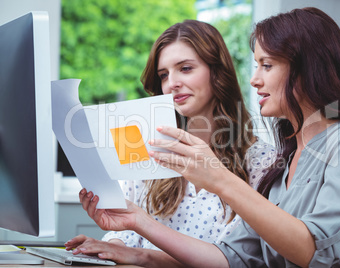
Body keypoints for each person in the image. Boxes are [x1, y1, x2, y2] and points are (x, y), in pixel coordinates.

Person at [67, 7, 340, 267]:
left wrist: (220, 180)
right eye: (256, 65)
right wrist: (137, 223)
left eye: (266, 65)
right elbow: (231, 258)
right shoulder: (287, 160)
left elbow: (313, 251)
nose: (254, 80)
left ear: (307, 69)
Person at [65, 19, 275, 264]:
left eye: (185, 68)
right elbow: (129, 236)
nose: (171, 84)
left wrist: (139, 255)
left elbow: (236, 261)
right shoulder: (148, 147)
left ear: (217, 73)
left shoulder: (261, 160)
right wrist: (106, 248)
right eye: (163, 75)